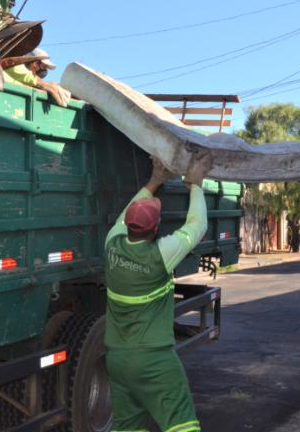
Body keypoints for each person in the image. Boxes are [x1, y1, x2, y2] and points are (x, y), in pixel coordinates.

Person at [104, 153, 212, 432]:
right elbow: (197, 226)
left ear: (128, 226)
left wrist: (154, 181)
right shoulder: (160, 256)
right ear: (155, 229)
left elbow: (127, 212)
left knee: (128, 428)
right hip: (154, 360)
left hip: (118, 360)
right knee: (182, 426)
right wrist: (196, 184)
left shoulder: (112, 244)